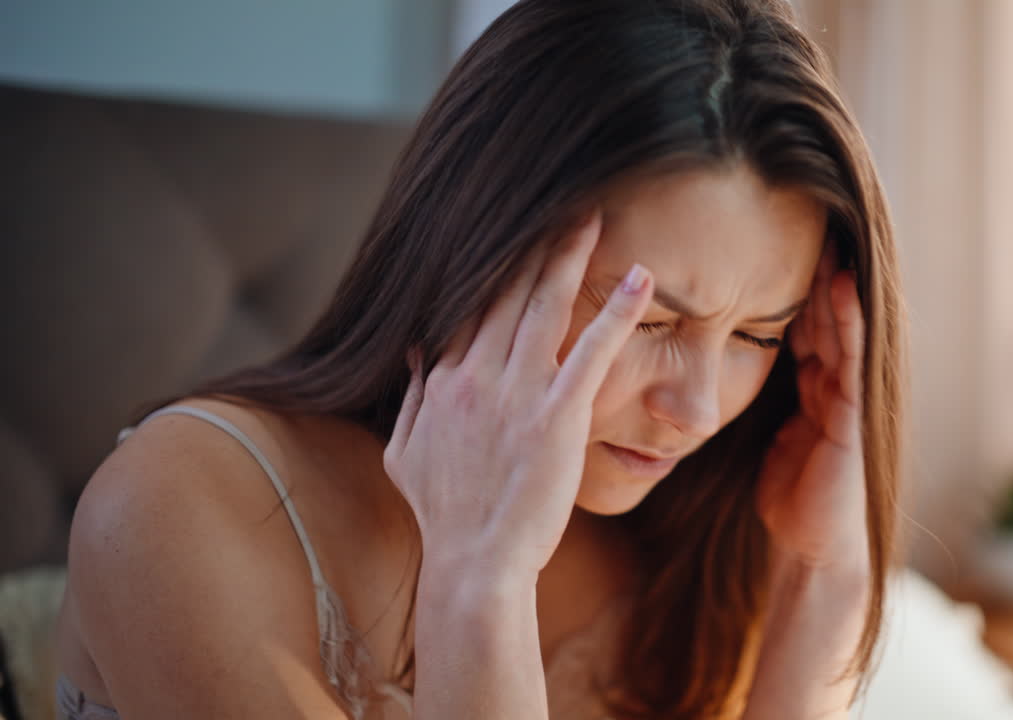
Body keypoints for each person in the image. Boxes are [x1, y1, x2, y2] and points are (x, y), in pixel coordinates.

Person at [53, 0, 905, 718]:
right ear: (481, 252)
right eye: (642, 320)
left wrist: (822, 584)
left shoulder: (698, 535)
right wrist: (480, 584)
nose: (697, 409)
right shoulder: (178, 506)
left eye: (759, 335)